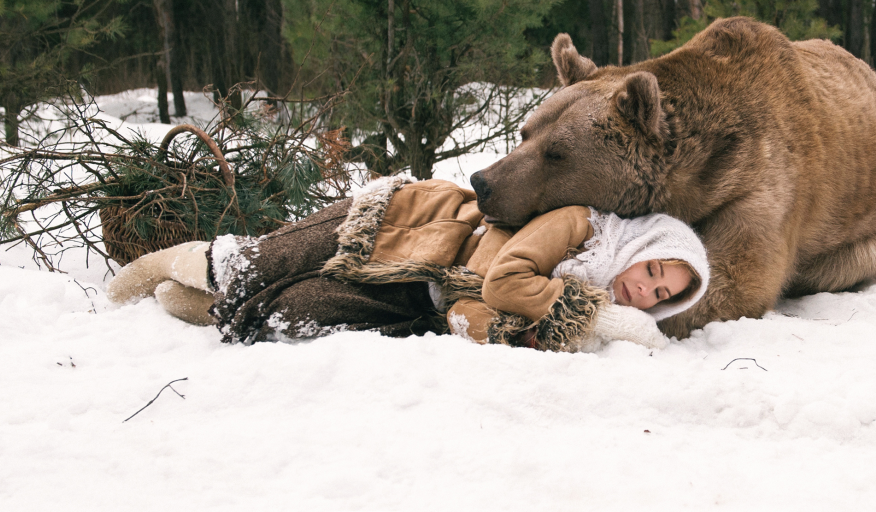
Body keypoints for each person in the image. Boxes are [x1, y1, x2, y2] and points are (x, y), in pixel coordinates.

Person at [107, 177, 709, 352]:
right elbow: (504, 279)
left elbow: (485, 316)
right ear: (642, 249)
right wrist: (593, 315)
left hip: (416, 299)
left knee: (292, 315)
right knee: (263, 263)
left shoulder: (572, 323)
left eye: (661, 298)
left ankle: (193, 304)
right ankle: (161, 265)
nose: (645, 292)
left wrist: (485, 327)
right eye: (654, 273)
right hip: (412, 226)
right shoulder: (583, 226)